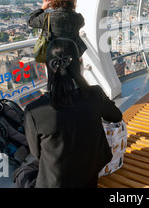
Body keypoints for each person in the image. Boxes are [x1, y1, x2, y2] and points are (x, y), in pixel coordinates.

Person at [24, 38, 123, 188]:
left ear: (48, 66)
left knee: (23, 173)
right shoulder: (95, 94)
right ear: (78, 62)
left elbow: (37, 154)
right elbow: (116, 116)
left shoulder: (34, 110)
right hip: (90, 172)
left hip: (55, 182)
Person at [28, 0, 88, 65]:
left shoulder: (47, 17)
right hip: (73, 56)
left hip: (53, 57)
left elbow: (30, 21)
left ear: (55, 0)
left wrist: (42, 8)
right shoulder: (78, 18)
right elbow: (81, 24)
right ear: (72, 0)